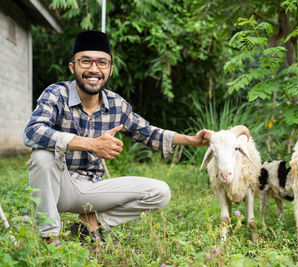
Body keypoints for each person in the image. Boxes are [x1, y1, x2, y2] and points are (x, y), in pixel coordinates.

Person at [24, 30, 210, 244]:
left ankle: (89, 225)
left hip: (93, 188)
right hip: (57, 186)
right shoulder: (56, 94)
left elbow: (148, 132)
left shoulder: (117, 104)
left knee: (160, 192)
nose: (94, 69)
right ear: (72, 66)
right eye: (85, 61)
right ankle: (50, 238)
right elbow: (32, 131)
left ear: (110, 69)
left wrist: (192, 140)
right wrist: (91, 145)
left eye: (102, 62)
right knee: (42, 155)